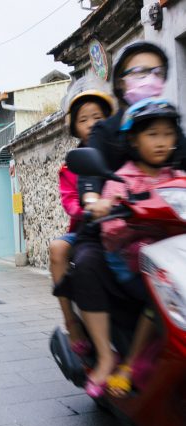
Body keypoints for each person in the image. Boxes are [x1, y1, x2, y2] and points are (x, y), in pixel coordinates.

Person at [64, 40, 186, 397]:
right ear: (120, 81)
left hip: (169, 231)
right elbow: (90, 177)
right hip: (115, 230)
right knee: (87, 263)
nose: (149, 78)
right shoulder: (106, 130)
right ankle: (107, 357)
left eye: (157, 71)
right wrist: (95, 201)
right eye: (139, 71)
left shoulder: (171, 125)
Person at [99, 99, 184, 396]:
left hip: (174, 257)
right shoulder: (121, 180)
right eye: (152, 134)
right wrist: (120, 213)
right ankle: (129, 364)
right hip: (131, 262)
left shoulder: (178, 178)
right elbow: (110, 230)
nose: (161, 142)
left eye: (168, 134)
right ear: (133, 140)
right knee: (162, 294)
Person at [49, 80, 114, 354]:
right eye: (83, 119)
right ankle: (71, 321)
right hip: (85, 229)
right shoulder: (71, 165)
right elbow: (70, 202)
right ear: (74, 126)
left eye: (97, 117)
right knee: (57, 249)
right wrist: (88, 210)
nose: (91, 124)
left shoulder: (120, 153)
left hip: (124, 225)